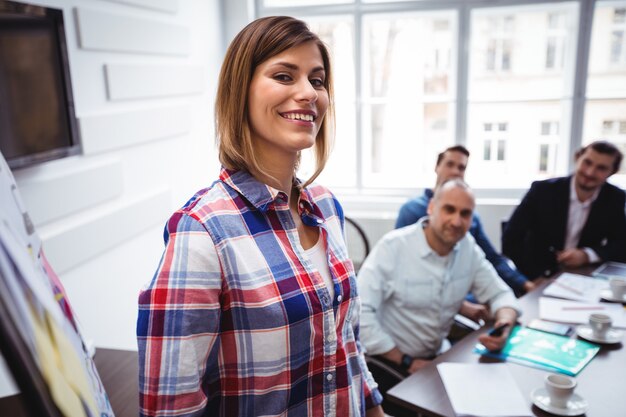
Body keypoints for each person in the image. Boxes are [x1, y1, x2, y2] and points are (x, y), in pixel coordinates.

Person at [137, 16, 384, 417]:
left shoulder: (326, 207)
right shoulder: (201, 232)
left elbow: (347, 346)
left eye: (317, 81)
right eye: (285, 76)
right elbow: (171, 408)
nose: (308, 93)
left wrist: (373, 407)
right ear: (241, 92)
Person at [359, 179, 520, 375]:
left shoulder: (468, 248)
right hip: (390, 361)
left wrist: (503, 325)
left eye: (465, 213)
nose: (456, 221)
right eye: (449, 210)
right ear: (431, 207)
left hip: (437, 357)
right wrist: (405, 360)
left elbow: (500, 294)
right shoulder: (392, 247)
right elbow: (359, 313)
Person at [396, 145, 534, 298]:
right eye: (450, 164)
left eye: (461, 168)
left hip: (465, 291)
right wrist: (462, 307)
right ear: (431, 208)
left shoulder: (471, 219)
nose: (456, 221)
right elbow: (403, 266)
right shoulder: (411, 211)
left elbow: (491, 258)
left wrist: (526, 284)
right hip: (426, 295)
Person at [502, 140, 626, 280]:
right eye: (587, 162)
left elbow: (621, 245)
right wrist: (533, 277)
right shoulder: (542, 191)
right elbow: (511, 239)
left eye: (601, 168)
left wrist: (587, 255)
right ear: (577, 158)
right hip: (537, 273)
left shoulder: (616, 198)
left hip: (585, 276)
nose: (590, 172)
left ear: (612, 172)